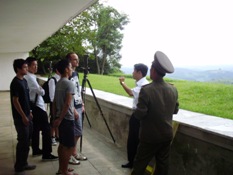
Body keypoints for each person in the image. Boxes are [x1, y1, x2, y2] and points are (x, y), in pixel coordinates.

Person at [131, 51, 179, 175]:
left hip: (149, 137)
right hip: (166, 135)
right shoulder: (173, 89)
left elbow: (140, 114)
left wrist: (136, 113)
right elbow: (175, 110)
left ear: (153, 70)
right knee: (162, 166)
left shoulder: (146, 90)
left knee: (139, 164)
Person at [24, 57, 58, 161]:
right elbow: (41, 92)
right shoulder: (30, 77)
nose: (36, 67)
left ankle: (36, 149)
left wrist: (40, 88)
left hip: (33, 105)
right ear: (28, 66)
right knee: (46, 130)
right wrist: (41, 88)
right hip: (37, 106)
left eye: (37, 65)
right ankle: (47, 153)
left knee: (36, 128)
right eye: (33, 65)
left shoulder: (29, 76)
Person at [119, 63, 149, 169]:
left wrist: (122, 83)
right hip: (140, 115)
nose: (132, 73)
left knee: (133, 140)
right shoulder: (142, 83)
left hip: (138, 116)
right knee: (135, 140)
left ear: (139, 72)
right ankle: (133, 162)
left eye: (134, 71)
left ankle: (133, 162)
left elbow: (130, 93)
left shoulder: (143, 85)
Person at [10, 59, 36, 174]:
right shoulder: (15, 83)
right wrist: (23, 116)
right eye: (25, 67)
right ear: (18, 69)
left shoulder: (24, 81)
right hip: (20, 118)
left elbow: (25, 99)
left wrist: (29, 112)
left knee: (27, 141)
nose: (27, 69)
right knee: (22, 141)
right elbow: (15, 101)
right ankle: (19, 166)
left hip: (27, 115)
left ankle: (24, 163)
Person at [53, 59, 79, 175]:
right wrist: (60, 119)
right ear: (66, 69)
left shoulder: (59, 82)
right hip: (67, 119)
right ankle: (64, 171)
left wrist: (55, 118)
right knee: (68, 146)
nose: (72, 69)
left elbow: (54, 102)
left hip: (60, 118)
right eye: (70, 67)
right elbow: (67, 103)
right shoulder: (69, 83)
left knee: (62, 145)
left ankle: (61, 169)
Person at [66, 52, 87, 165]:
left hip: (78, 106)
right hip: (72, 107)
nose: (77, 62)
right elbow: (68, 94)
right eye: (75, 60)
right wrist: (73, 109)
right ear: (69, 61)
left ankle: (73, 153)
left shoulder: (76, 73)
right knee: (75, 132)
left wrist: (82, 104)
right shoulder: (68, 75)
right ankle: (69, 155)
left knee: (78, 131)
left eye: (77, 59)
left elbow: (77, 91)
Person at [49, 65, 61, 146]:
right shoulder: (53, 80)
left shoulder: (61, 79)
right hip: (54, 104)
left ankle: (57, 136)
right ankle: (52, 137)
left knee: (58, 120)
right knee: (53, 120)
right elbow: (52, 95)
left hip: (60, 104)